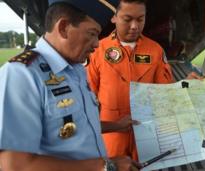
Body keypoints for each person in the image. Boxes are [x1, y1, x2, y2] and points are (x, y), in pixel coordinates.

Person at [0, 0, 141, 170]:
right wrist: (106, 167)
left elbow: (78, 124)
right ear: (64, 28)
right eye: (92, 33)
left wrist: (116, 125)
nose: (97, 44)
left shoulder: (75, 69)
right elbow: (15, 166)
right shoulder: (22, 75)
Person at [87, 0, 173, 160]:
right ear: (114, 17)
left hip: (146, 133)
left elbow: (166, 93)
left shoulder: (155, 50)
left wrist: (185, 87)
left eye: (140, 19)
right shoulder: (97, 49)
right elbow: (87, 98)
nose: (134, 26)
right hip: (111, 132)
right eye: (127, 19)